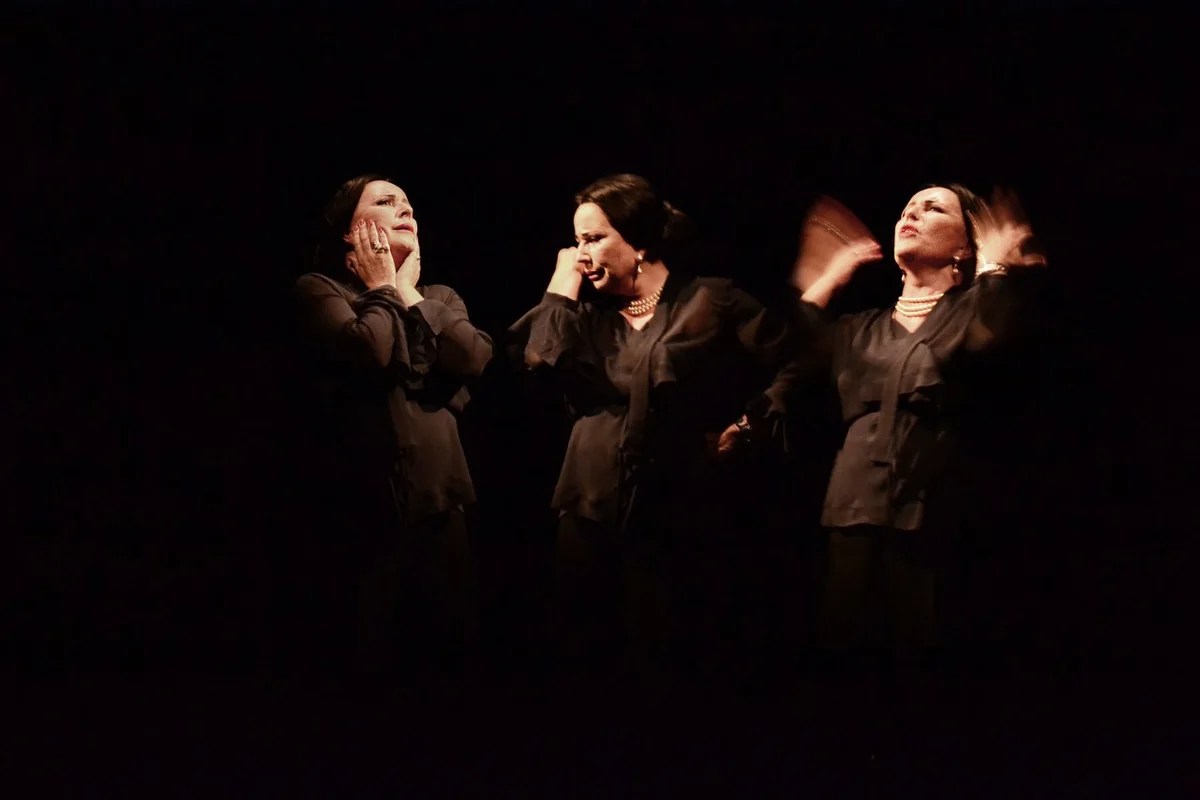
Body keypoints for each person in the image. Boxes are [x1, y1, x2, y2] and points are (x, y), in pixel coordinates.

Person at [508, 173, 807, 682]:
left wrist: (750, 423)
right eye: (576, 241)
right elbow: (538, 358)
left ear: (640, 243)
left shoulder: (710, 300)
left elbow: (798, 360)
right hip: (589, 503)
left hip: (677, 505)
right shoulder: (589, 320)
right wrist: (562, 283)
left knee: (666, 648)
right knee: (583, 650)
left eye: (593, 238)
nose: (581, 254)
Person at [792, 183, 1049, 672]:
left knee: (922, 649)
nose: (911, 215)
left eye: (932, 209)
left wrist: (995, 269)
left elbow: (992, 348)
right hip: (853, 505)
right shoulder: (859, 328)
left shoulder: (976, 307)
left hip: (937, 506)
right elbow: (797, 350)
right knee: (843, 651)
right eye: (907, 208)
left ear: (964, 248)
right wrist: (831, 274)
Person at [291, 173, 494, 678]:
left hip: (442, 502)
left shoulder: (439, 296)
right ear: (350, 231)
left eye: (408, 203)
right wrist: (382, 288)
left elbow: (472, 357)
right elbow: (370, 350)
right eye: (387, 201)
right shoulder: (320, 290)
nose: (406, 209)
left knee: (452, 654)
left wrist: (406, 292)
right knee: (372, 652)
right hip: (364, 506)